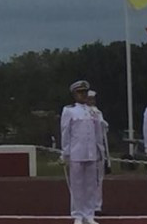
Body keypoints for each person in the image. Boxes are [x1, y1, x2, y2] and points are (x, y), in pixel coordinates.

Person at [60, 80, 102, 224]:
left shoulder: (92, 111)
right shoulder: (69, 110)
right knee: (77, 185)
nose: (83, 95)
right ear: (74, 94)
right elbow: (66, 133)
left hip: (91, 152)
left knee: (90, 185)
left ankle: (89, 214)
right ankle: (77, 214)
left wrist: (98, 150)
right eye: (80, 92)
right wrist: (65, 153)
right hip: (76, 152)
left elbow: (97, 134)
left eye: (84, 92)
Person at [84, 90, 108, 214]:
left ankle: (97, 204)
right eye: (89, 99)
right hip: (85, 150)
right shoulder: (79, 112)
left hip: (97, 149)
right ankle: (87, 204)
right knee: (87, 179)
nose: (91, 102)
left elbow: (103, 131)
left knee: (98, 179)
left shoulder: (98, 113)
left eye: (93, 99)